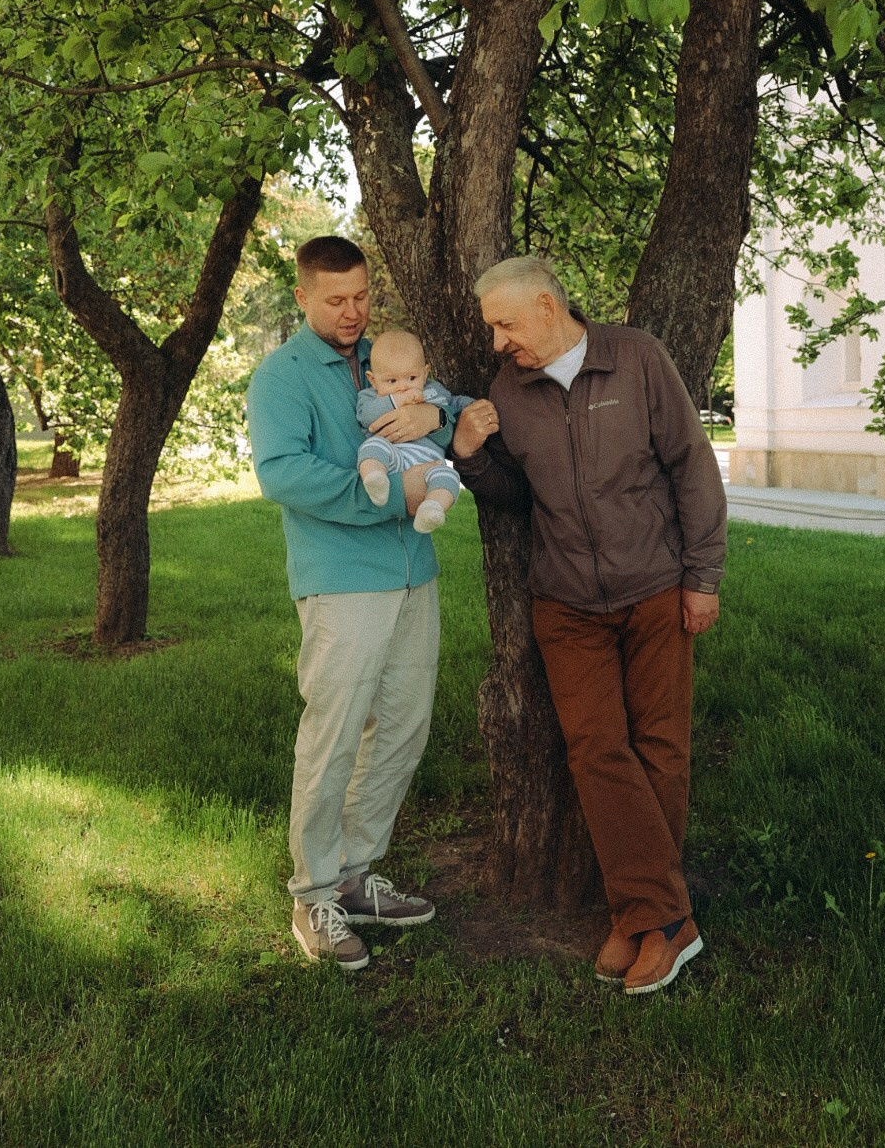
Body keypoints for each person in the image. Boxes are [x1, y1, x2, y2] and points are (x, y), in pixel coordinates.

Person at [451, 256, 726, 995]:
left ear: (546, 305)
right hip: (566, 601)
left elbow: (691, 465)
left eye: (506, 324)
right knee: (596, 751)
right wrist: (472, 461)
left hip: (655, 588)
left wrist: (703, 576)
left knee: (661, 750)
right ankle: (664, 917)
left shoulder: (635, 358)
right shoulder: (511, 389)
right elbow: (517, 492)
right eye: (492, 330)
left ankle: (641, 918)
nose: (499, 343)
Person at [246, 236, 457, 972]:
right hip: (339, 577)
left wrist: (438, 421)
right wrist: (390, 498)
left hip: (414, 572)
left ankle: (360, 875)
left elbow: (452, 410)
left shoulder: (387, 355)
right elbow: (282, 473)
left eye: (362, 295)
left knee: (403, 725)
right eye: (335, 299)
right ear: (302, 295)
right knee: (334, 735)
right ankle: (312, 896)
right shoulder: (281, 376)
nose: (352, 311)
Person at [356, 328, 473, 534]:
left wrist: (474, 407)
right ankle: (375, 478)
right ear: (373, 380)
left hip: (429, 463)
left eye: (411, 377)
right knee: (373, 447)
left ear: (425, 373)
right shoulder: (370, 396)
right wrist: (397, 401)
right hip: (392, 457)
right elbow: (366, 416)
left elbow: (453, 404)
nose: (403, 387)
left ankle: (432, 508)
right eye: (392, 381)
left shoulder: (433, 390)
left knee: (448, 475)